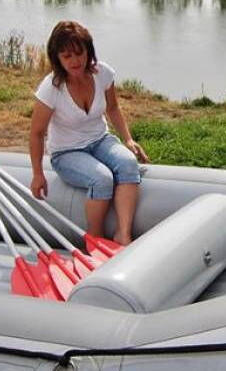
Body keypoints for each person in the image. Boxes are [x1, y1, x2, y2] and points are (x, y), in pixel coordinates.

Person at [28, 20, 149, 245]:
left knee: (128, 163)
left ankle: (123, 234)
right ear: (57, 58)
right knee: (102, 179)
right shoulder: (51, 88)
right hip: (67, 152)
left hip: (100, 139)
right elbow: (36, 133)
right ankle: (94, 238)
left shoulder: (102, 73)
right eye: (67, 56)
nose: (75, 61)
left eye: (79, 53)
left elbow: (113, 108)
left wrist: (128, 139)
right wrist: (37, 174)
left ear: (88, 51)